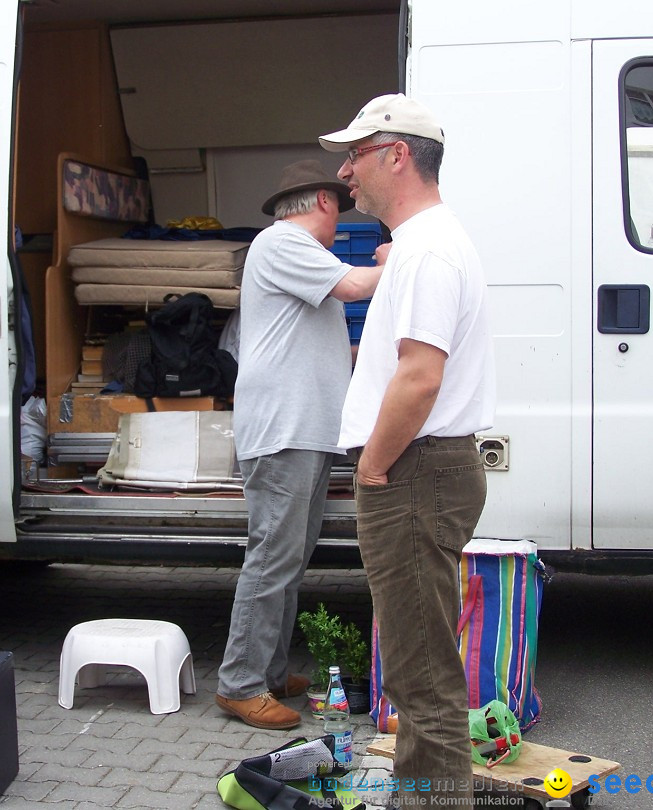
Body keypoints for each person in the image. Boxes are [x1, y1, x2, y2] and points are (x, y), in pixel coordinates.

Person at [319, 95, 496, 806]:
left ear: (397, 155)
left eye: (356, 153)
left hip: (411, 470)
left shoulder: (427, 249)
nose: (345, 169)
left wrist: (371, 465)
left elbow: (420, 377)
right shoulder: (429, 244)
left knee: (422, 684)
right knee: (422, 674)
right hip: (426, 468)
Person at [215, 160, 385, 729]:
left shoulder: (298, 256)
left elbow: (325, 349)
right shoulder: (283, 242)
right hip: (284, 432)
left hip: (304, 432)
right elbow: (358, 285)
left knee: (289, 559)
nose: (341, 216)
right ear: (321, 202)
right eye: (339, 204)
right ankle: (239, 682)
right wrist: (409, 256)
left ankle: (267, 670)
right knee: (272, 557)